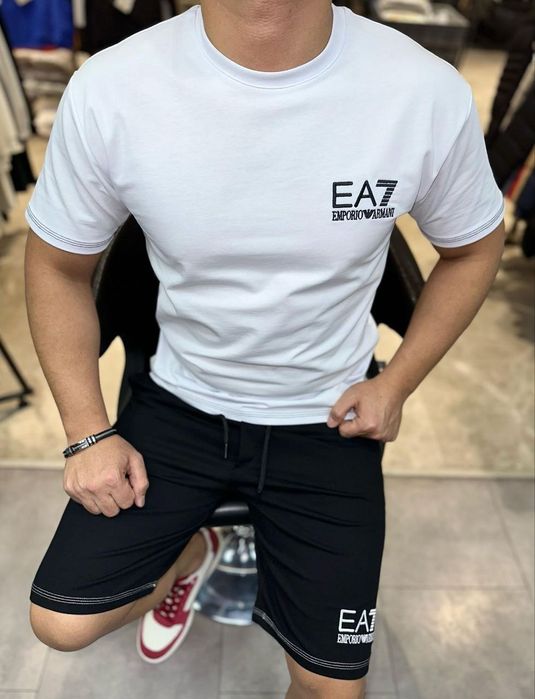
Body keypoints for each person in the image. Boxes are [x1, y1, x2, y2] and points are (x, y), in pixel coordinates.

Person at [24, 1, 505, 697]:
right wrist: (86, 432)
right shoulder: (113, 87)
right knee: (60, 622)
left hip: (327, 416)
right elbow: (56, 265)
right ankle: (192, 552)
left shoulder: (420, 90)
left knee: (332, 687)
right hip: (181, 401)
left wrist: (396, 382)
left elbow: (474, 248)